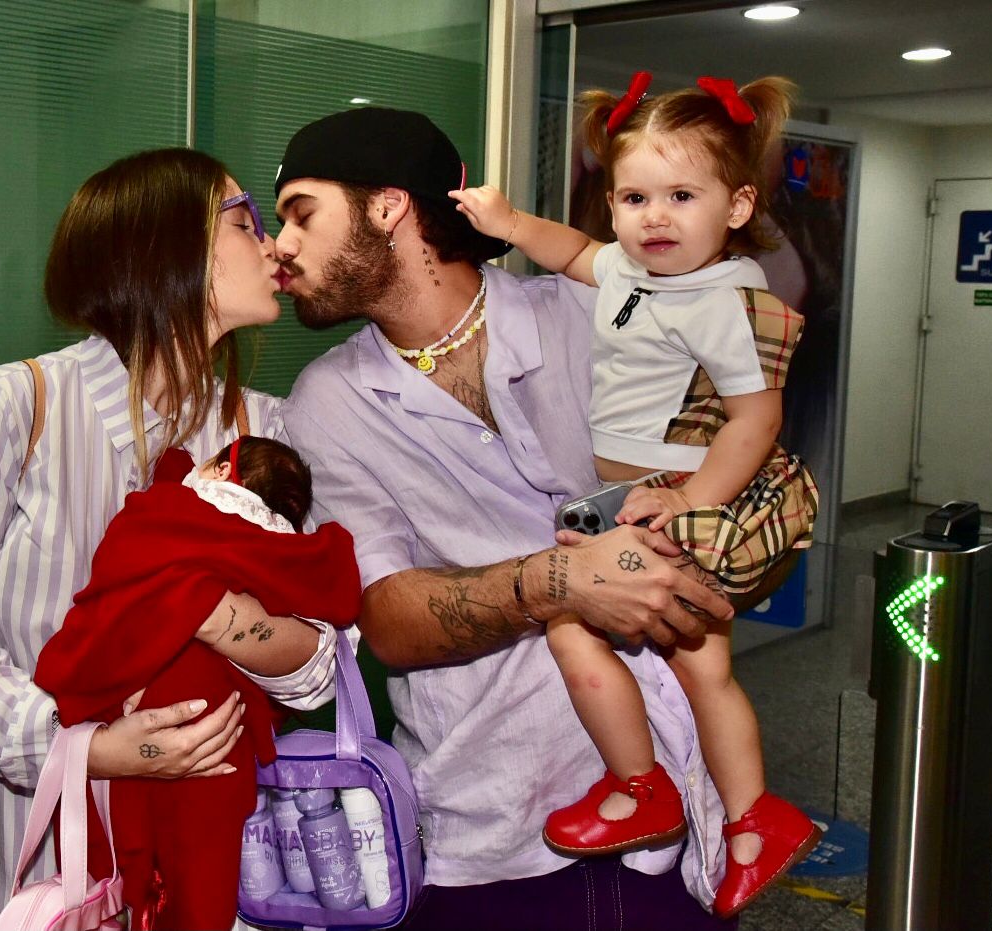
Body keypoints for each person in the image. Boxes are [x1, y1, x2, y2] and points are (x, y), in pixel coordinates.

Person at [276, 106, 738, 930]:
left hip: (677, 795)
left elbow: (729, 454)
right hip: (482, 825)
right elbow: (388, 620)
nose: (281, 245)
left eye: (301, 212)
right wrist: (558, 581)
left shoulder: (587, 315)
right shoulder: (329, 401)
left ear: (387, 207)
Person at [0, 148, 342, 931]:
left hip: (203, 857)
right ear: (162, 246)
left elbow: (317, 668)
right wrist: (81, 749)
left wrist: (206, 612)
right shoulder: (10, 409)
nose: (272, 245)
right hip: (17, 854)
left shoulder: (265, 430)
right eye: (243, 220)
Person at [449, 72, 821, 918]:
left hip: (679, 498)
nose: (654, 216)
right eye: (633, 196)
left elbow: (754, 421)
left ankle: (642, 786)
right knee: (698, 666)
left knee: (579, 629)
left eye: (681, 195)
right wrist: (506, 223)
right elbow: (570, 253)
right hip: (628, 498)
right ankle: (752, 818)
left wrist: (692, 499)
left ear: (735, 206)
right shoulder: (621, 266)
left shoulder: (728, 300)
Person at [33, 435, 361, 929]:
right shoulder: (276, 544)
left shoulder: (171, 507)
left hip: (153, 726)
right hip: (219, 739)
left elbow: (122, 559)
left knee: (116, 863)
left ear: (224, 471)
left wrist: (185, 607)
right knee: (205, 868)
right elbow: (318, 604)